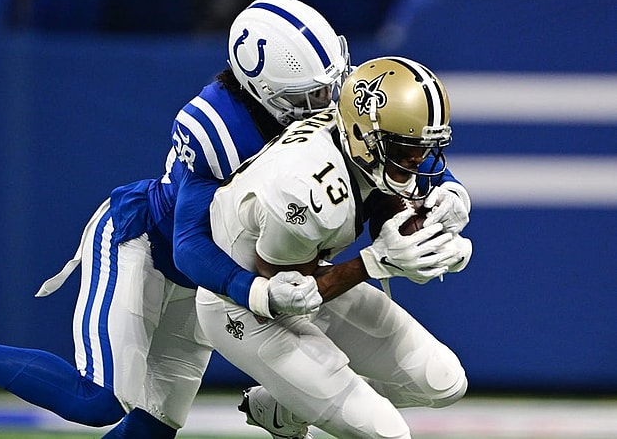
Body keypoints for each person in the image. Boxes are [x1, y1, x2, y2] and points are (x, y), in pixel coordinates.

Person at [0, 0, 353, 438]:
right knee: (97, 400)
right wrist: (260, 301)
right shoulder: (219, 128)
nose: (324, 108)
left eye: (328, 91)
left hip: (204, 281)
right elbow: (192, 246)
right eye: (308, 97)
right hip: (144, 245)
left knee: (152, 429)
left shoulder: (316, 128)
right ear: (259, 85)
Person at [195, 56, 473, 439]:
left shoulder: (359, 129)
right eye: (406, 148)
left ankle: (285, 405)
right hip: (246, 307)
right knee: (387, 433)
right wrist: (377, 262)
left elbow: (383, 196)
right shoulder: (303, 189)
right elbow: (287, 294)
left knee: (445, 381)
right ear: (366, 137)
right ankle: (299, 396)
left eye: (424, 147)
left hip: (307, 274)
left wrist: (434, 234)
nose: (417, 160)